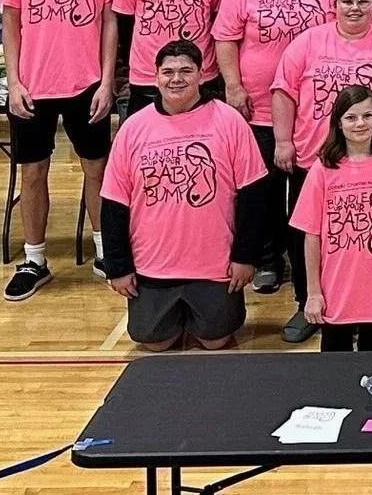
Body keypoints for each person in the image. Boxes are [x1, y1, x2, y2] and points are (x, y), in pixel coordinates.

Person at [0, 0, 126, 301]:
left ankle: (105, 251)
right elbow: (9, 21)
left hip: (86, 81)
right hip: (33, 83)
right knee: (33, 172)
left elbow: (110, 21)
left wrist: (107, 81)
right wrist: (13, 82)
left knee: (97, 169)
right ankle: (35, 259)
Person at [271, 0, 372, 343]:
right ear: (333, 4)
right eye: (347, 1)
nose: (354, 8)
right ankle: (309, 301)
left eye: (362, 2)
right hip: (318, 157)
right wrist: (282, 140)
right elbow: (283, 91)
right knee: (314, 233)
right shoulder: (307, 43)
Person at [99, 40, 267, 350]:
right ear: (155, 77)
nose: (177, 79)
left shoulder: (229, 121)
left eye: (186, 71)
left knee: (215, 341)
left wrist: (245, 257)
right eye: (169, 72)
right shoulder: (133, 128)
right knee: (154, 343)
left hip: (215, 265)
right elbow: (113, 203)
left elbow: (253, 195)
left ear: (202, 75)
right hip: (152, 265)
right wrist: (118, 266)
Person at [211, 0, 341, 294]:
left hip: (317, 110)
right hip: (259, 106)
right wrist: (233, 86)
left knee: (308, 192)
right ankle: (267, 259)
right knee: (261, 190)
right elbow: (225, 36)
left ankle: (309, 262)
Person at [288, 84, 372, 352]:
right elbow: (311, 236)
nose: (360, 123)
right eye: (351, 117)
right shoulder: (322, 169)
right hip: (336, 285)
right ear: (338, 122)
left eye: (367, 116)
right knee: (335, 364)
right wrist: (313, 292)